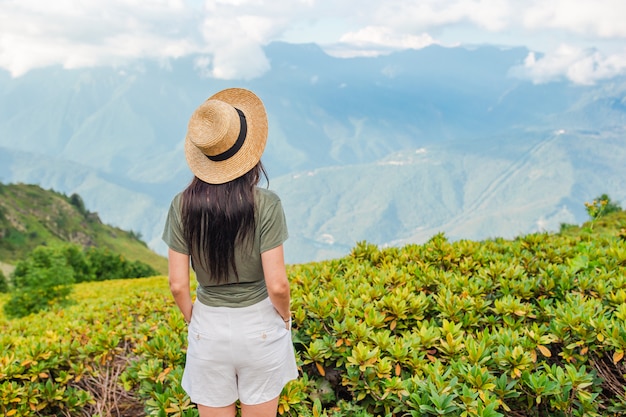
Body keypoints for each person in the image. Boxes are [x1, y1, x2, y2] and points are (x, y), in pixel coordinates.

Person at [162, 88, 298, 417]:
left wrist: (196, 320)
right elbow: (278, 284)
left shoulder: (182, 205)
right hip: (260, 324)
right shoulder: (266, 203)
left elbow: (178, 285)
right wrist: (285, 318)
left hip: (208, 325)